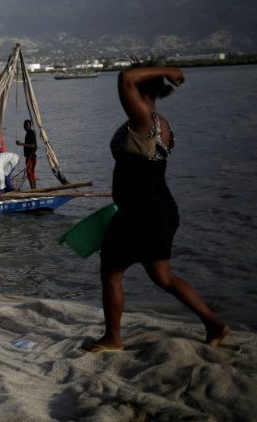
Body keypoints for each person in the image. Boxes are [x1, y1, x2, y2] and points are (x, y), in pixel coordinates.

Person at [82, 66, 229, 353]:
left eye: (133, 87)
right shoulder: (161, 123)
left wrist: (168, 70)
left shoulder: (143, 118)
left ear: (139, 89)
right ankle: (214, 324)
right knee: (163, 277)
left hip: (140, 213)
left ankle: (113, 338)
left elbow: (125, 77)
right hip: (158, 211)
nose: (125, 90)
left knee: (111, 271)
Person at [15, 119, 38, 190]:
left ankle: (33, 189)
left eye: (27, 125)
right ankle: (34, 189)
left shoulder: (31, 133)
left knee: (29, 172)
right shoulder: (28, 133)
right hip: (29, 157)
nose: (25, 127)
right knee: (31, 173)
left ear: (30, 125)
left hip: (31, 157)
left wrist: (21, 144)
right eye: (24, 125)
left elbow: (34, 145)